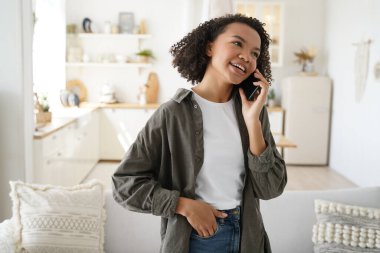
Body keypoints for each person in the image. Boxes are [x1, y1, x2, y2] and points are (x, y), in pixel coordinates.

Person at [112, 14, 287, 253]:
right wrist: (183, 206)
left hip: (249, 238)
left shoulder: (253, 112)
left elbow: (271, 189)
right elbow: (124, 184)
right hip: (196, 238)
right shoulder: (172, 114)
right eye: (237, 43)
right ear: (209, 47)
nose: (247, 56)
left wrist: (253, 123)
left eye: (255, 53)